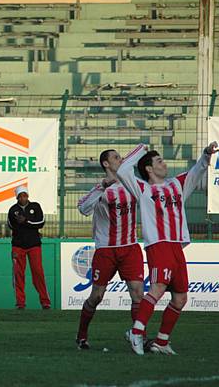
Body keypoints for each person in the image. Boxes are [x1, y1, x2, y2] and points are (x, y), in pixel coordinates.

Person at [118, 141, 218, 355]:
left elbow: (198, 169)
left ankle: (161, 342)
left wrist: (206, 154)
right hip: (159, 245)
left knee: (181, 298)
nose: (165, 164)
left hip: (176, 246)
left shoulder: (177, 184)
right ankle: (137, 332)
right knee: (158, 288)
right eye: (159, 161)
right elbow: (123, 169)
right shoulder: (142, 188)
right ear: (149, 168)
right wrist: (141, 150)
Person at [76, 149, 144, 349]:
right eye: (115, 157)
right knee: (97, 295)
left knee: (137, 293)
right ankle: (81, 335)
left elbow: (142, 149)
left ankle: (138, 336)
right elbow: (82, 208)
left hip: (130, 247)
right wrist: (100, 187)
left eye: (121, 157)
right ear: (106, 164)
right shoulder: (101, 188)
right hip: (106, 249)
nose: (120, 159)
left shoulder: (132, 184)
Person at [7, 186, 51, 310]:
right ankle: (20, 302)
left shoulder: (35, 207)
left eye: (24, 195)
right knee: (18, 274)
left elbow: (41, 222)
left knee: (38, 272)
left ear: (28, 196)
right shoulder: (13, 209)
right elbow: (10, 225)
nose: (22, 198)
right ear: (17, 197)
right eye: (20, 196)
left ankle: (45, 301)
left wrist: (26, 221)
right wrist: (19, 223)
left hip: (34, 245)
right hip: (18, 246)